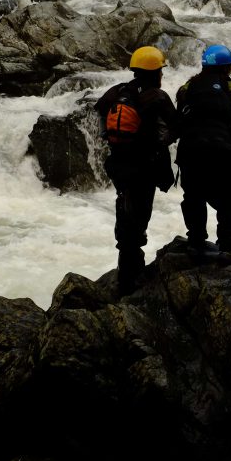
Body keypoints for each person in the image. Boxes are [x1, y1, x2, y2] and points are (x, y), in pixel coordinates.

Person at [95, 46, 177, 295]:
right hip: (145, 166)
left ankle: (125, 269)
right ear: (155, 72)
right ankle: (132, 276)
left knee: (125, 209)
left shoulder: (118, 91)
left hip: (120, 166)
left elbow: (100, 113)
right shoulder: (158, 97)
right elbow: (176, 127)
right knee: (140, 215)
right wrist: (160, 142)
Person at [175, 44, 231, 254]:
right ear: (227, 68)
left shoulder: (185, 89)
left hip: (191, 154)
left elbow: (180, 124)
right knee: (229, 203)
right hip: (224, 155)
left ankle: (196, 241)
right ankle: (226, 247)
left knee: (193, 197)